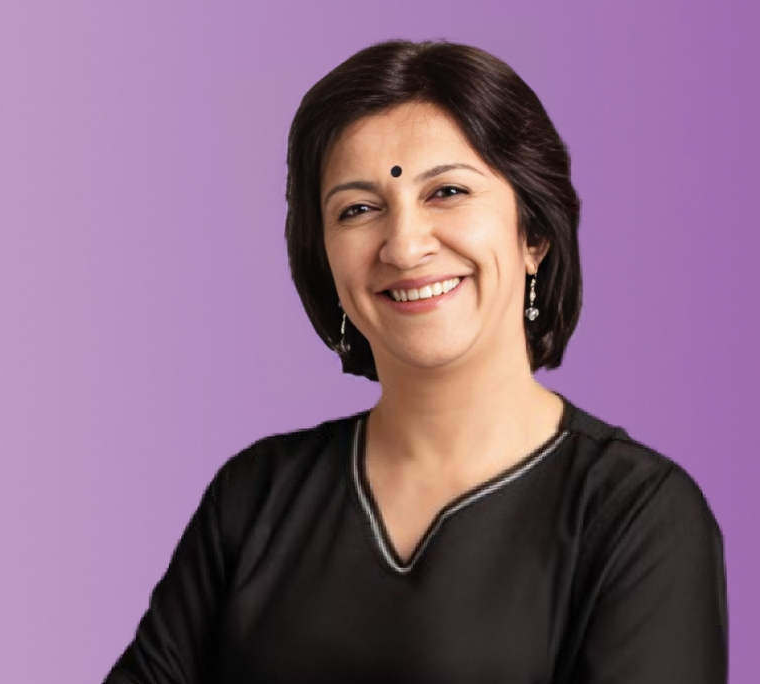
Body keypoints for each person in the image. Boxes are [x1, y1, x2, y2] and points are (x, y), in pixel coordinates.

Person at [103, 40, 728, 683]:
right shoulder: (254, 496)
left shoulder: (640, 516)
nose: (403, 246)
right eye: (358, 209)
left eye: (447, 191)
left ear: (534, 234)